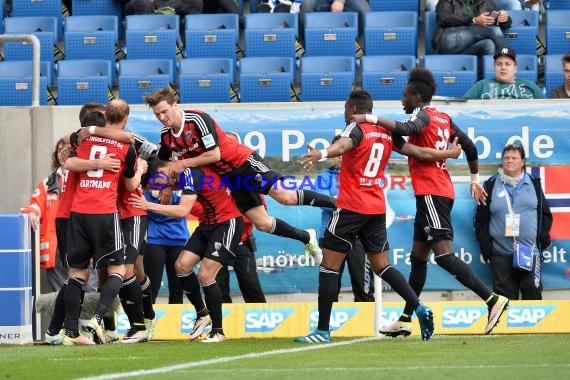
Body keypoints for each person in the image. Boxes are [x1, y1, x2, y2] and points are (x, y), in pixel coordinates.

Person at [294, 89, 465, 343]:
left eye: (345, 110)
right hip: (375, 208)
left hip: (351, 206)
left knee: (329, 267)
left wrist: (321, 154)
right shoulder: (388, 132)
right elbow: (419, 153)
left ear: (353, 110)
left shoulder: (355, 126)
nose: (345, 115)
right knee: (382, 266)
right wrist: (449, 155)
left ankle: (322, 331)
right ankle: (418, 306)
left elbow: (344, 145)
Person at [351, 67, 510, 337]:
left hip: (432, 193)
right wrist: (474, 178)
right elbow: (470, 146)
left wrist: (370, 117)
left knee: (445, 256)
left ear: (416, 96)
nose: (402, 100)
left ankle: (493, 300)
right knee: (418, 259)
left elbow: (407, 128)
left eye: (404, 95)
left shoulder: (421, 115)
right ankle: (404, 319)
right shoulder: (444, 117)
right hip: (434, 192)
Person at [144, 87, 333, 264]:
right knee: (263, 224)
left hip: (242, 163)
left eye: (164, 111)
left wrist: (183, 163)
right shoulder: (166, 136)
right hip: (228, 179)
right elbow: (165, 164)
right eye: (157, 114)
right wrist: (168, 185)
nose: (162, 117)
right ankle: (306, 236)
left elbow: (214, 155)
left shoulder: (196, 119)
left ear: (174, 105)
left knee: (286, 197)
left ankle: (338, 203)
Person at [43, 104, 132, 345]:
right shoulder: (84, 141)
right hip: (76, 213)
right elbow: (126, 138)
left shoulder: (79, 142)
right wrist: (100, 163)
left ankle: (62, 331)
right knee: (84, 274)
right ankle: (69, 328)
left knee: (80, 275)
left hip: (75, 213)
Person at [129, 158, 245, 343]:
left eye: (165, 174)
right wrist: (167, 186)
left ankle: (218, 331)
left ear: (175, 162)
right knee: (182, 266)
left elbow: (183, 211)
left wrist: (148, 205)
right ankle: (202, 313)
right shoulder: (185, 174)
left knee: (206, 276)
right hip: (208, 224)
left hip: (226, 223)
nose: (165, 179)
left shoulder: (193, 171)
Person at [475, 144, 552, 300]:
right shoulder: (490, 184)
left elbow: (545, 214)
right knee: (504, 299)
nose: (510, 161)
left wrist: (543, 238)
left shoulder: (534, 183)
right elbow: (480, 219)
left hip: (529, 252)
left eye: (514, 158)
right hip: (500, 253)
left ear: (522, 162)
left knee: (532, 291)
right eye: (506, 158)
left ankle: (533, 326)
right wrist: (486, 248)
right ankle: (505, 325)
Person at [314, 134, 374, 302]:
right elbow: (322, 202)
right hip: (330, 236)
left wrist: (337, 198)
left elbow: (367, 202)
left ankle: (368, 326)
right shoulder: (323, 178)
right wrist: (351, 199)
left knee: (363, 288)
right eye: (337, 153)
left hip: (358, 238)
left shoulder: (362, 175)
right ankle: (327, 325)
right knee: (330, 288)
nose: (341, 156)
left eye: (344, 151)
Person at [214, 131, 266, 303]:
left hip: (242, 242)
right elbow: (198, 208)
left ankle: (261, 325)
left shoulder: (247, 177)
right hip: (216, 241)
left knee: (251, 286)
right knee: (218, 289)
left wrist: (233, 217)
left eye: (232, 146)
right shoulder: (209, 177)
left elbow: (261, 210)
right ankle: (221, 326)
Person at [21, 138, 71, 292]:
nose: (62, 155)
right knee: (60, 295)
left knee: (87, 295)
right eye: (59, 151)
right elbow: (34, 205)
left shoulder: (85, 179)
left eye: (67, 151)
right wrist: (33, 214)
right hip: (56, 249)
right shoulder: (46, 184)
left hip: (82, 245)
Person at [434, 0, 512, 79]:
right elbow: (444, 18)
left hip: (470, 46)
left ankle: (480, 83)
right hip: (449, 38)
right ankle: (508, 61)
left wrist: (504, 20)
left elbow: (505, 22)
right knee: (493, 31)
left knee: (488, 45)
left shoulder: (485, 2)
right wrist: (473, 20)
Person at [463, 47, 545, 99]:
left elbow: (547, 108)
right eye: (499, 64)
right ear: (494, 67)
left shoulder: (529, 85)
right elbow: (462, 108)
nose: (503, 67)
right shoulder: (482, 85)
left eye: (507, 64)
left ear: (515, 68)